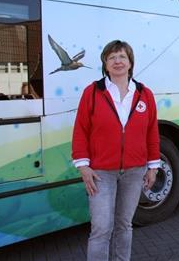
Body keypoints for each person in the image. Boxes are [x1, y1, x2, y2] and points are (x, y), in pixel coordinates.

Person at [72, 40, 160, 261]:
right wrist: (83, 166)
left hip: (134, 171)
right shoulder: (92, 92)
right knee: (101, 228)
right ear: (105, 63)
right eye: (112, 57)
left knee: (124, 225)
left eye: (122, 57)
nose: (118, 61)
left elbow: (151, 133)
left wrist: (153, 167)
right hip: (101, 172)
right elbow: (81, 130)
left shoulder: (144, 94)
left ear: (130, 62)